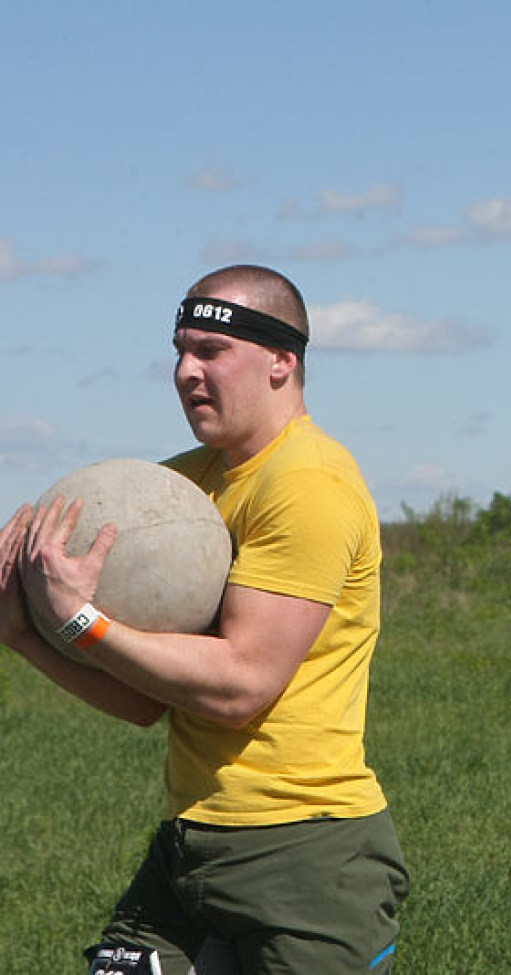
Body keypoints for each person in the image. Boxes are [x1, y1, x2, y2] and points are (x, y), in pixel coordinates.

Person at [0, 266, 409, 974]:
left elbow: (242, 685)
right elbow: (142, 700)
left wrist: (82, 622)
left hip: (306, 853)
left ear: (283, 360)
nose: (187, 372)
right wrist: (25, 633)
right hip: (192, 845)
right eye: (181, 351)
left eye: (211, 352)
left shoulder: (308, 484)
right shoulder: (179, 490)